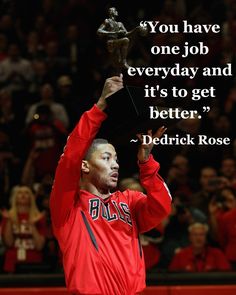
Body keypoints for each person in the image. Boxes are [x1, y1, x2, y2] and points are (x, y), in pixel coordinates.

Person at [50, 76, 172, 294]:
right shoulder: (69, 207)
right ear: (85, 166)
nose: (115, 165)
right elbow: (70, 157)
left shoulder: (130, 201)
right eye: (106, 158)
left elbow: (162, 206)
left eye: (115, 159)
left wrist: (146, 163)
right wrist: (101, 106)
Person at [2, 185, 47, 273]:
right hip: (12, 262)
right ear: (15, 198)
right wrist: (9, 221)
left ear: (31, 198)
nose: (23, 195)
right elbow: (8, 243)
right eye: (20, 193)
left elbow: (39, 246)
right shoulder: (8, 217)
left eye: (26, 193)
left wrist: (32, 225)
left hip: (34, 262)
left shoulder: (39, 218)